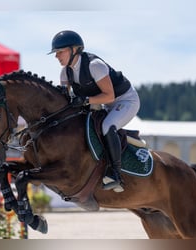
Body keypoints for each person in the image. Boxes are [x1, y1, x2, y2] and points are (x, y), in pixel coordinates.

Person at [48, 30, 140, 192]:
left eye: (60, 52)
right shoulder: (65, 72)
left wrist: (84, 100)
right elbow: (64, 100)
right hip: (101, 102)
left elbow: (109, 96)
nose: (57, 56)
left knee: (107, 126)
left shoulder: (94, 65)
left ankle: (115, 173)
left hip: (125, 100)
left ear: (75, 49)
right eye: (56, 53)